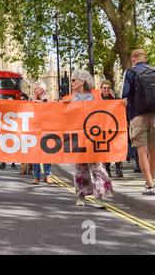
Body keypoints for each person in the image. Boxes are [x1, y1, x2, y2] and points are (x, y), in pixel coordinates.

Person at [63, 69, 113, 208]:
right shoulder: (68, 98)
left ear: (82, 81)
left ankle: (100, 197)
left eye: (74, 80)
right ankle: (81, 196)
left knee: (97, 167)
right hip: (78, 138)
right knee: (80, 168)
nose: (71, 82)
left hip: (94, 137)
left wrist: (122, 105)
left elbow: (107, 110)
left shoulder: (96, 96)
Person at [122, 49, 155, 196]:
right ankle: (150, 182)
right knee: (154, 151)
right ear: (145, 58)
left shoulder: (130, 73)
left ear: (133, 59)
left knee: (142, 151)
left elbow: (124, 97)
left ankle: (150, 185)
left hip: (137, 116)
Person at [31, 81, 53, 185]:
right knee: (35, 154)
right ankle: (36, 176)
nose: (35, 90)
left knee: (46, 153)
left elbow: (47, 107)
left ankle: (47, 175)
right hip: (34, 129)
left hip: (46, 129)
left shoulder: (47, 98)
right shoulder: (31, 99)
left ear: (42, 89)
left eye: (37, 88)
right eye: (34, 89)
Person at [100, 80, 123, 178]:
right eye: (104, 88)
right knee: (106, 149)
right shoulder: (98, 99)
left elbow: (121, 108)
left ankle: (118, 167)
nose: (106, 90)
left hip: (114, 126)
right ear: (101, 89)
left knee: (116, 147)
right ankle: (107, 168)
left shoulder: (115, 98)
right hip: (102, 127)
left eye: (108, 88)